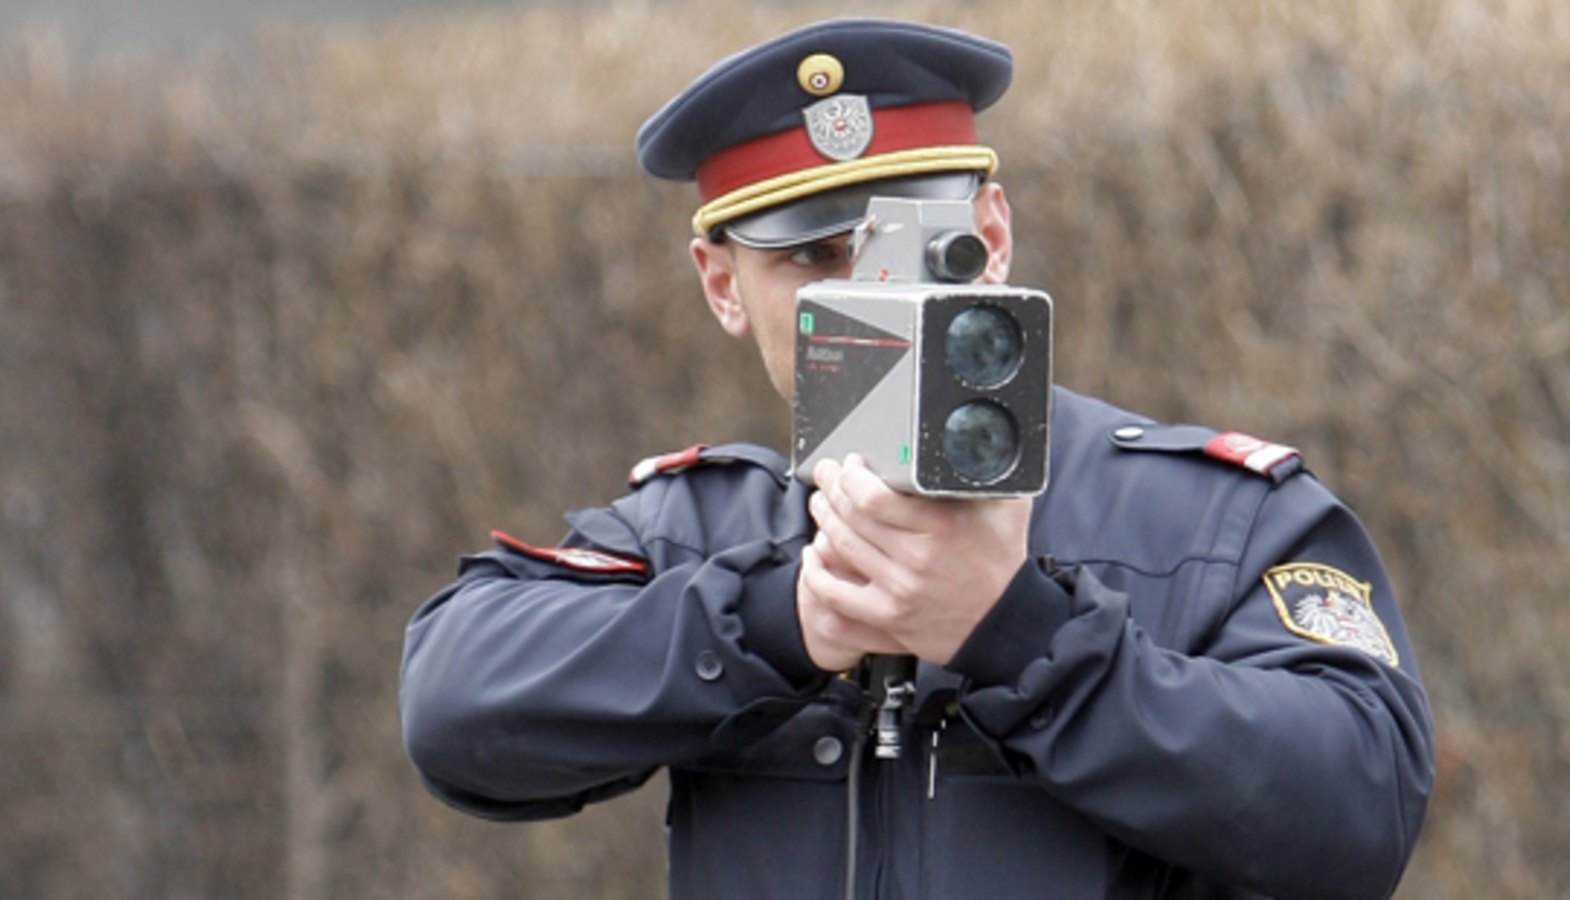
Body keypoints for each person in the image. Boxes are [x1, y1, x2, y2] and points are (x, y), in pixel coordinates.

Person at [399, 17, 1433, 900]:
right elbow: (455, 704)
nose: (874, 300)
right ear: (721, 286)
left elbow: (1364, 801)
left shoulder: (1202, 519)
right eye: (814, 258)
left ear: (993, 235)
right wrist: (776, 622)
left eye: (920, 248)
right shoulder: (703, 528)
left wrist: (1027, 641)